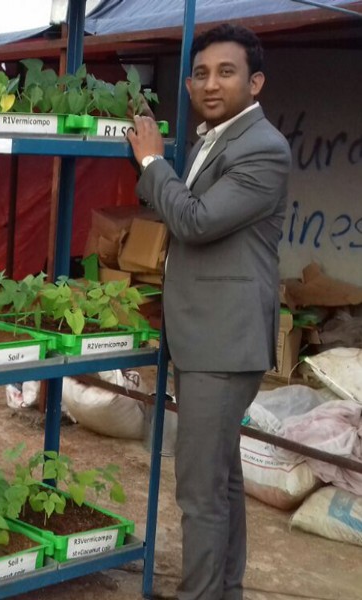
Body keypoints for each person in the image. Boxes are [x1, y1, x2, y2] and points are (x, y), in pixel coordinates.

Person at [126, 24, 290, 600]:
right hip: (207, 337)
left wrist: (151, 163)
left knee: (199, 491)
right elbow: (173, 205)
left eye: (226, 72)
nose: (210, 83)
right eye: (201, 73)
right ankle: (225, 591)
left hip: (223, 342)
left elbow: (193, 220)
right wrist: (149, 169)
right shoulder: (214, 139)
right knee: (221, 483)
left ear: (255, 81)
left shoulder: (262, 148)